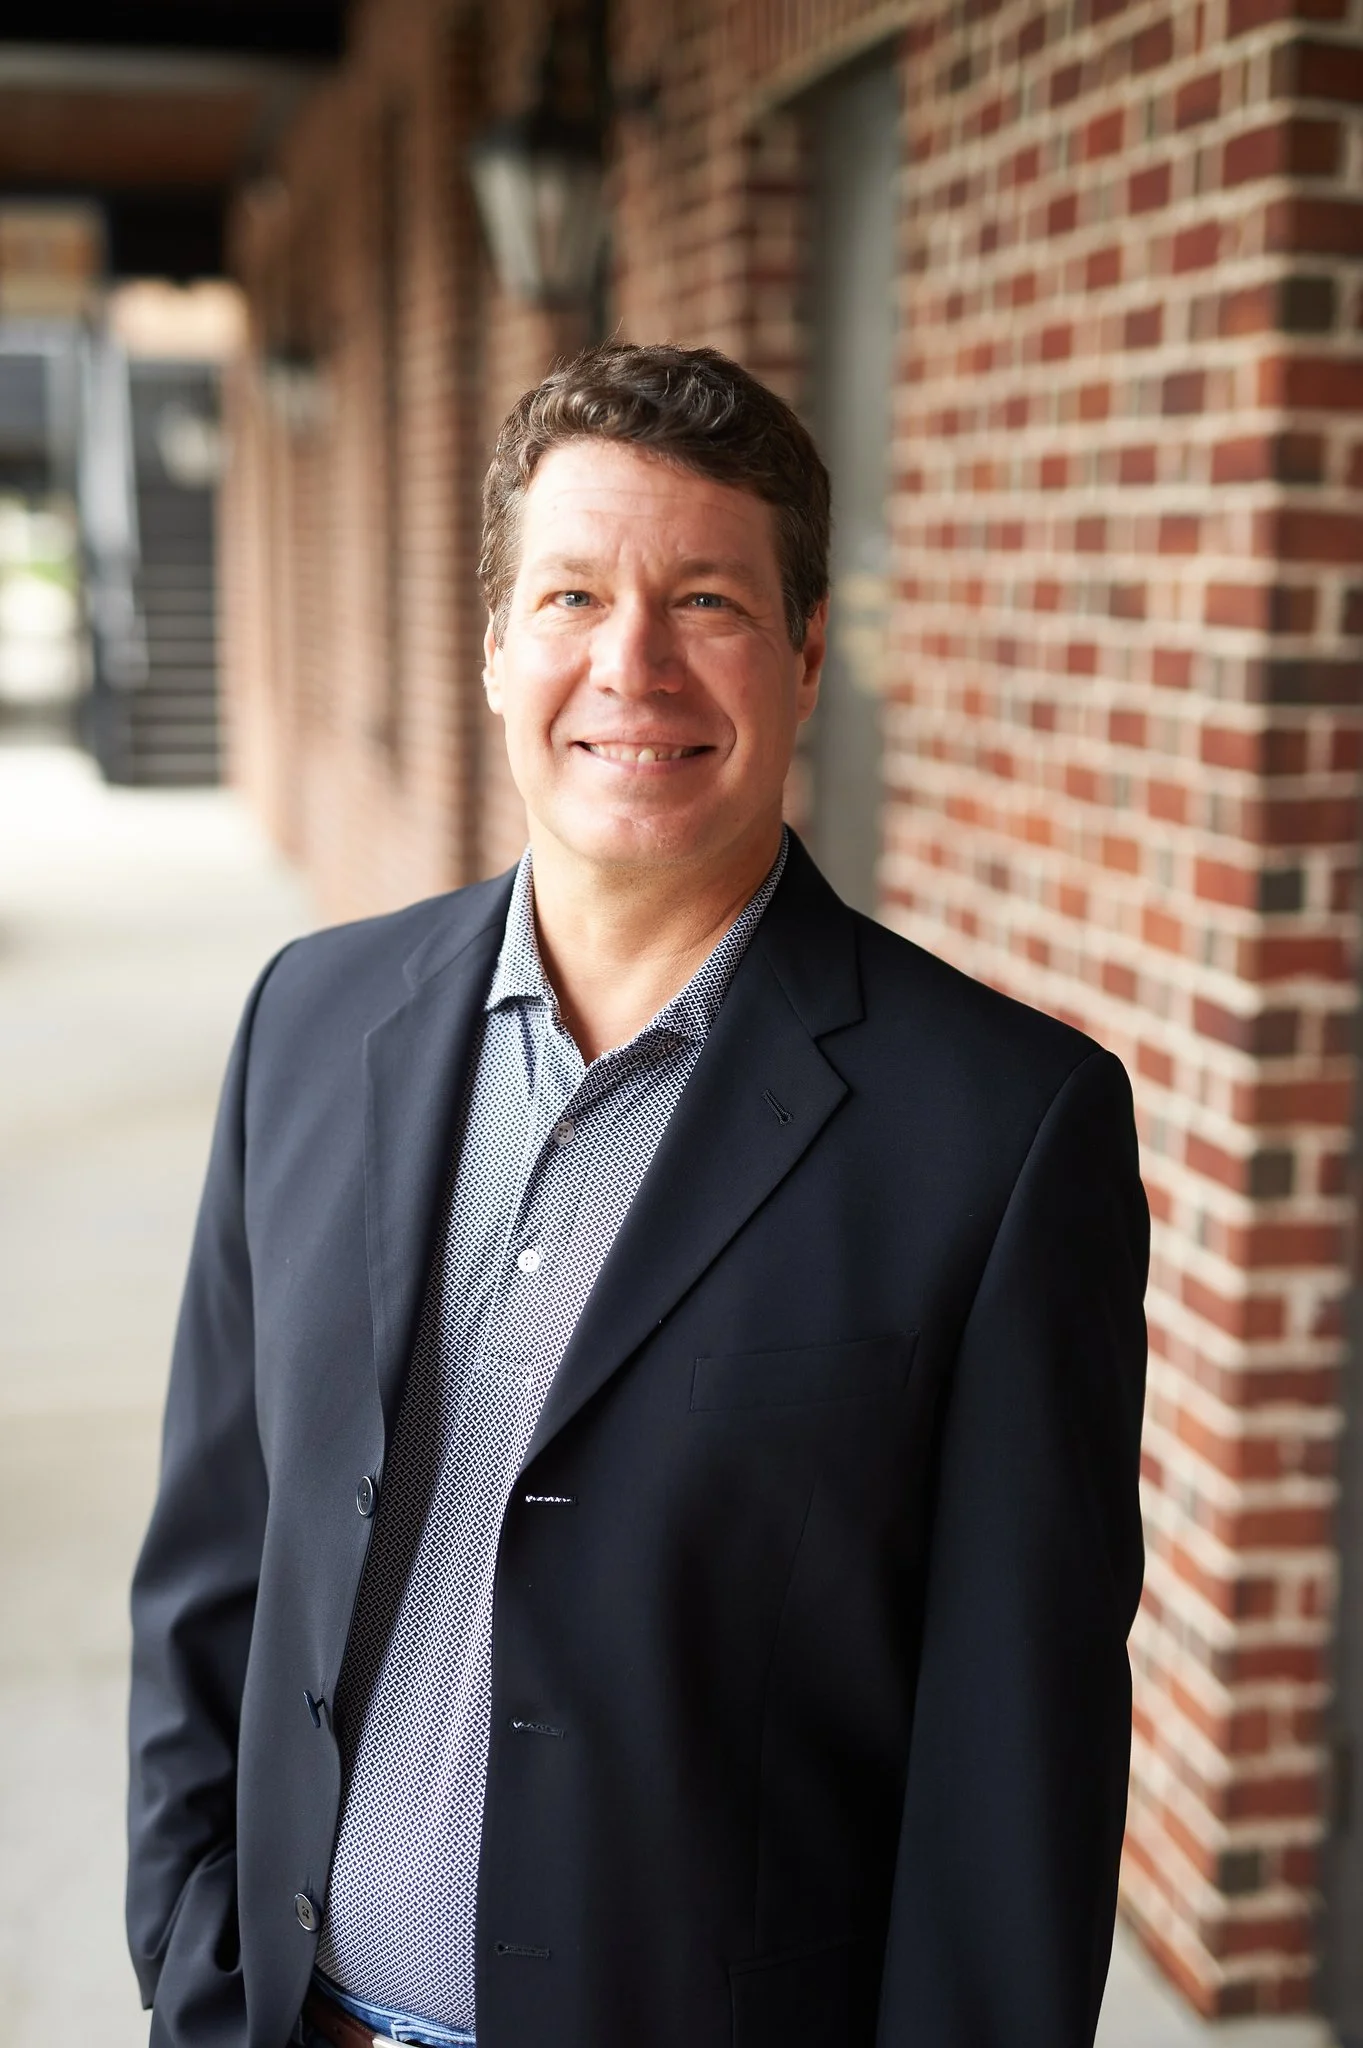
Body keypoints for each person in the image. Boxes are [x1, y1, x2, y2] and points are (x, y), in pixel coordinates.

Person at [128, 342, 1148, 2048]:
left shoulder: (1001, 1134)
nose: (632, 664)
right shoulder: (309, 1020)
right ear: (494, 644)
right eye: (573, 595)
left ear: (806, 653)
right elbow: (212, 1573)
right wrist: (192, 1966)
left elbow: (1010, 1781)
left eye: (707, 602)